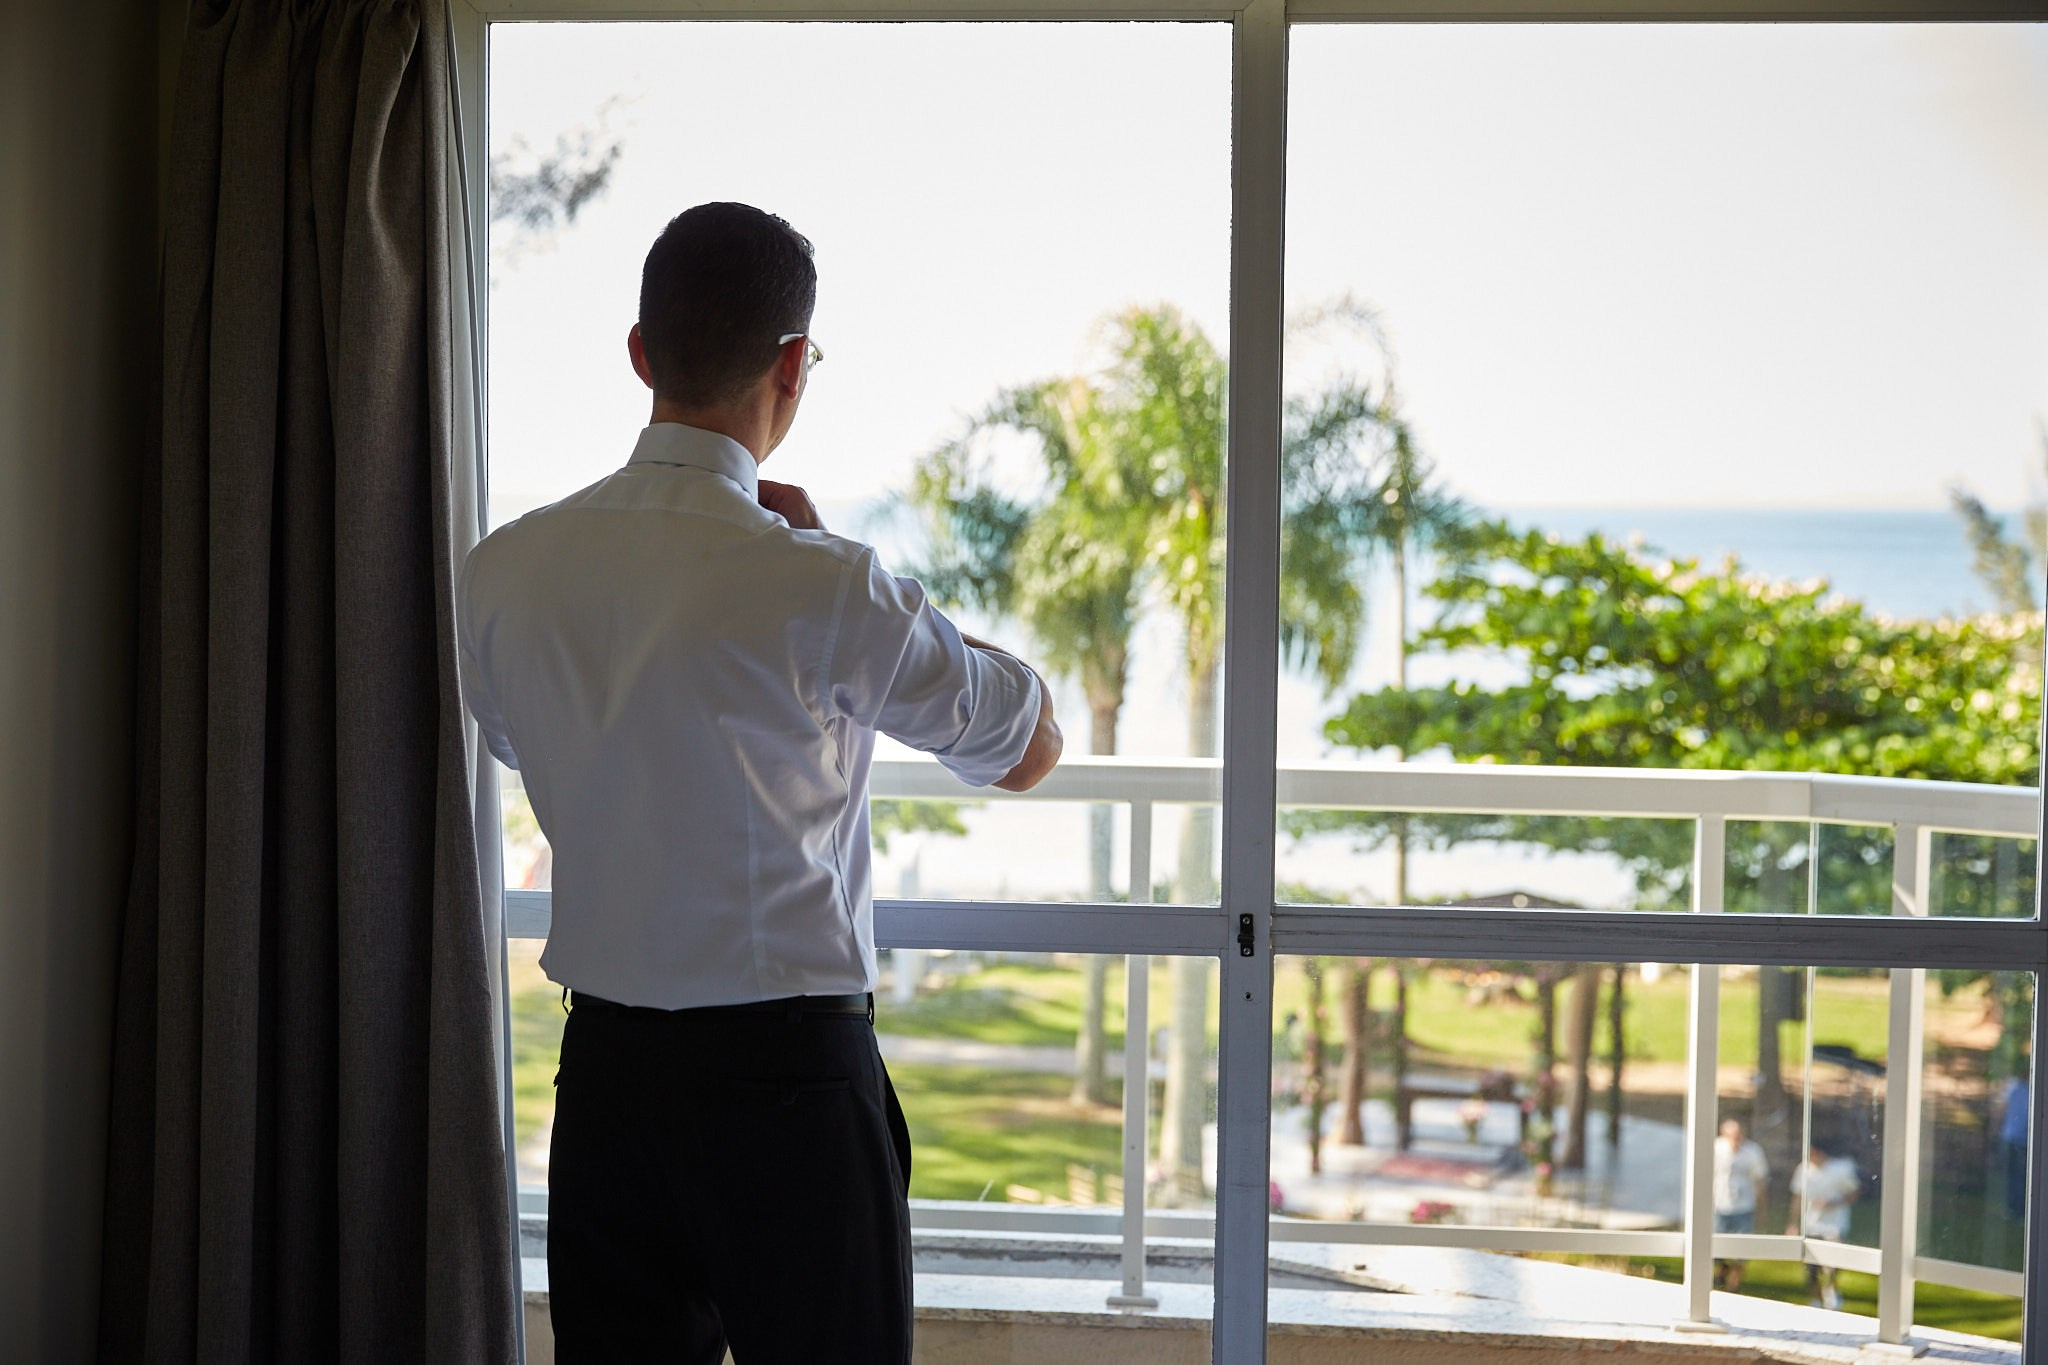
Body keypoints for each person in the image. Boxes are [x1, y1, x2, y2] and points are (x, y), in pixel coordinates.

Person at [458, 202, 1062, 1364]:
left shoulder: (503, 571)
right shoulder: (825, 583)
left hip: (608, 1092)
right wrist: (859, 581)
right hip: (787, 1093)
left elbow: (523, 748)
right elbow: (1025, 745)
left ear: (639, 353)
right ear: (793, 365)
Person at [1787, 1141, 1859, 1311]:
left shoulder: (1840, 1169)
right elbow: (1797, 1197)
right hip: (1811, 1225)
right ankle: (1816, 1298)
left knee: (1832, 1263)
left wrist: (1833, 1203)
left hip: (1834, 1224)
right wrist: (1793, 1223)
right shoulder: (1803, 1170)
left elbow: (1854, 1192)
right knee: (1811, 1268)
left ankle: (1831, 1290)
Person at [1710, 1116, 1768, 1291]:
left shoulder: (1753, 1152)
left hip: (1744, 1206)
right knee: (1716, 1248)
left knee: (1741, 1251)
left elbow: (1760, 1181)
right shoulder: (1715, 1148)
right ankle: (1721, 1272)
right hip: (1720, 1205)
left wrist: (1761, 1208)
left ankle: (1733, 1287)